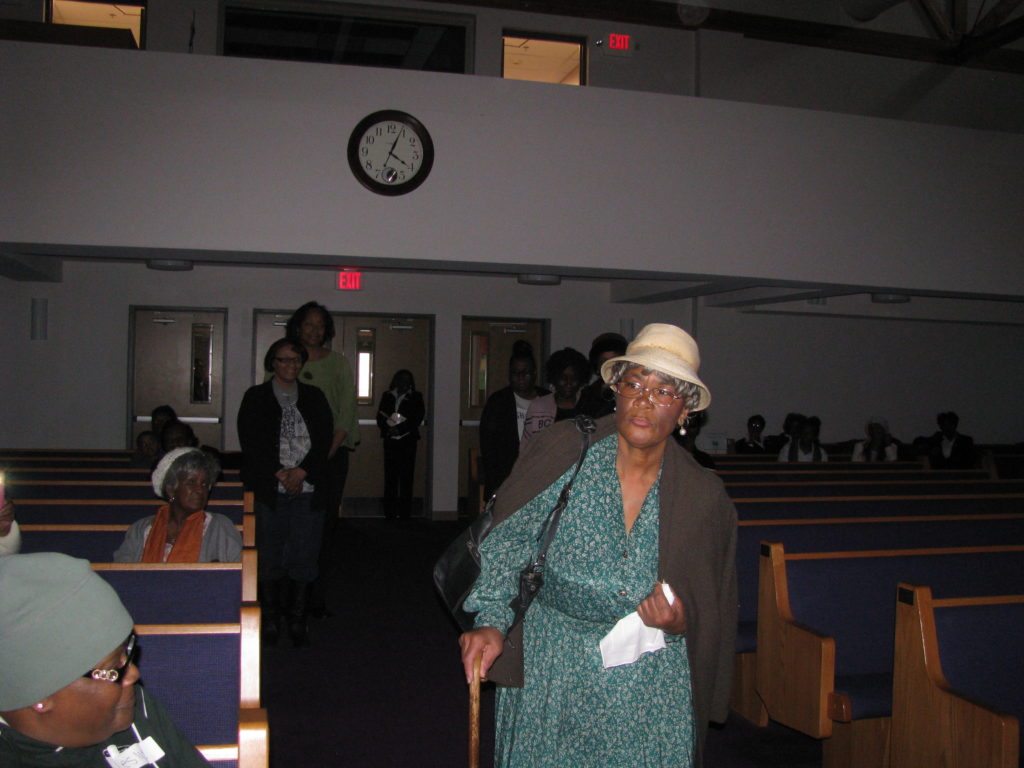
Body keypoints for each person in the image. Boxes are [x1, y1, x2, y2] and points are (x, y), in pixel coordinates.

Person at [459, 323, 737, 768]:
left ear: (685, 410)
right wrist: (492, 620)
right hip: (555, 669)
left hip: (648, 684)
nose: (645, 400)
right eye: (636, 383)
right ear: (616, 390)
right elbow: (507, 545)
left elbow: (714, 598)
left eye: (665, 391)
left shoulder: (703, 495)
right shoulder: (565, 452)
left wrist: (681, 619)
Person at [0, 552, 211, 766]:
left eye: (126, 652)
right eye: (112, 668)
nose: (133, 674)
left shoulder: (129, 708)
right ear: (39, 696)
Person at [238, 337, 333, 647]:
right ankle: (271, 617)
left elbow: (323, 440)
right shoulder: (256, 397)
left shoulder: (314, 397)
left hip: (309, 488)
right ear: (272, 363)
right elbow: (250, 442)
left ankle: (297, 617)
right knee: (270, 556)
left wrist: (301, 472)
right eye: (283, 360)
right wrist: (280, 473)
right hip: (271, 488)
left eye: (295, 360)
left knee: (304, 555)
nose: (290, 365)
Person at [285, 301, 360, 617]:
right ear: (297, 327)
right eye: (308, 324)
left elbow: (346, 415)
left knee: (323, 526)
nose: (314, 330)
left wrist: (320, 458)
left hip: (330, 458)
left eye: (319, 325)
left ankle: (315, 594)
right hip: (288, 458)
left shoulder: (340, 364)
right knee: (289, 524)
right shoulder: (286, 360)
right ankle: (287, 591)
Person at [113, 447, 242, 563]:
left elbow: (239, 576)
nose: (200, 490)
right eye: (191, 482)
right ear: (171, 490)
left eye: (204, 484)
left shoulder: (220, 526)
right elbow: (123, 575)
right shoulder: (141, 529)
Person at [478, 340, 549, 501]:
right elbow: (489, 447)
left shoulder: (546, 399)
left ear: (535, 373)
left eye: (526, 373)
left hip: (541, 474)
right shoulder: (499, 402)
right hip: (507, 476)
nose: (521, 378)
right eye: (515, 373)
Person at [376, 369, 426, 519]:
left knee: (406, 478)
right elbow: (380, 416)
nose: (404, 382)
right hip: (390, 442)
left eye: (407, 379)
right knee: (390, 478)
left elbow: (417, 417)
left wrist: (400, 429)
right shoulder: (387, 395)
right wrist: (388, 429)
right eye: (401, 379)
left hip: (407, 442)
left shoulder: (416, 397)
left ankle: (405, 514)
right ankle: (389, 514)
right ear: (395, 380)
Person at [521, 346, 591, 445]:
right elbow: (526, 448)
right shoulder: (538, 407)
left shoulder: (589, 407)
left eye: (573, 378)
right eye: (563, 377)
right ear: (554, 378)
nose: (568, 382)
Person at [576, 332, 627, 419]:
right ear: (597, 366)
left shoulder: (636, 389)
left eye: (615, 361)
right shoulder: (588, 395)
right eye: (604, 361)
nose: (611, 367)